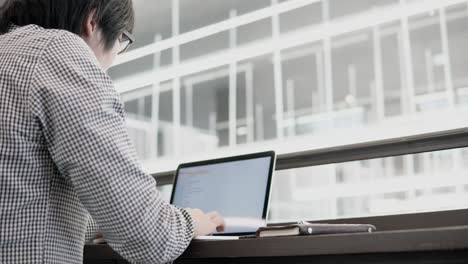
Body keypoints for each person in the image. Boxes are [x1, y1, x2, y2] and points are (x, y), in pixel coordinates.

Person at [0, 0, 225, 263]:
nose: (111, 64)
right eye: (121, 40)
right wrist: (191, 221)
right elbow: (148, 235)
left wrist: (108, 221)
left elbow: (22, 206)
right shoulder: (58, 51)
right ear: (92, 21)